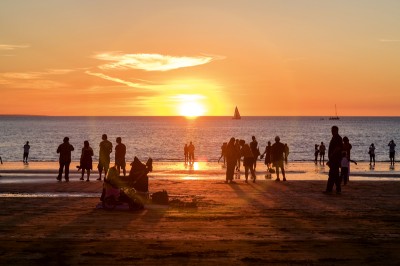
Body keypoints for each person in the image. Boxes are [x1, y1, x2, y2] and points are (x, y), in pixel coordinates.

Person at [324, 126, 343, 194]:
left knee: (332, 174)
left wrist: (332, 154)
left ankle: (329, 189)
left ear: (336, 130)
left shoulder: (338, 138)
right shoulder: (334, 138)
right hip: (333, 159)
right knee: (335, 175)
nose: (332, 132)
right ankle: (337, 189)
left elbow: (338, 148)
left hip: (335, 159)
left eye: (333, 130)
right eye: (331, 130)